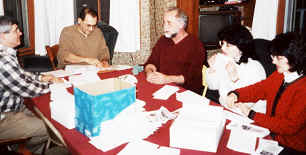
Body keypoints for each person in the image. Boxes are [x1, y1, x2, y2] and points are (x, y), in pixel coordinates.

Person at [225, 32, 306, 154]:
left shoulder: (303, 88)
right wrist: (236, 94)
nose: (273, 62)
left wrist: (252, 114)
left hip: (291, 146)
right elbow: (260, 89)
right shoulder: (280, 75)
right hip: (270, 136)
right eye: (273, 56)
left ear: (295, 59)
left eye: (279, 58)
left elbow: (289, 127)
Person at [0, 16, 63, 154]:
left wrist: (41, 77)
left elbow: (21, 74)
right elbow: (26, 88)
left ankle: (24, 145)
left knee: (55, 114)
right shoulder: (2, 61)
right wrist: (54, 86)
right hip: (5, 117)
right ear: (2, 36)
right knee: (54, 127)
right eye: (16, 30)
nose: (21, 33)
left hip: (16, 107)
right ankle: (24, 149)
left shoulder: (6, 53)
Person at [205, 24, 266, 113]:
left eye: (228, 45)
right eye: (222, 43)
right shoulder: (225, 60)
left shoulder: (254, 68)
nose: (222, 48)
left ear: (241, 47)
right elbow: (213, 86)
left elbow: (240, 103)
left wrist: (234, 79)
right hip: (227, 109)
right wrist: (212, 69)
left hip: (250, 115)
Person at [144, 7, 205, 94]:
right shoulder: (163, 40)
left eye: (169, 23)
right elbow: (151, 62)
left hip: (185, 93)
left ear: (181, 25)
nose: (165, 27)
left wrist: (167, 79)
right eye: (164, 22)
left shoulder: (195, 45)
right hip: (162, 88)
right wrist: (149, 72)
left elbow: (192, 77)